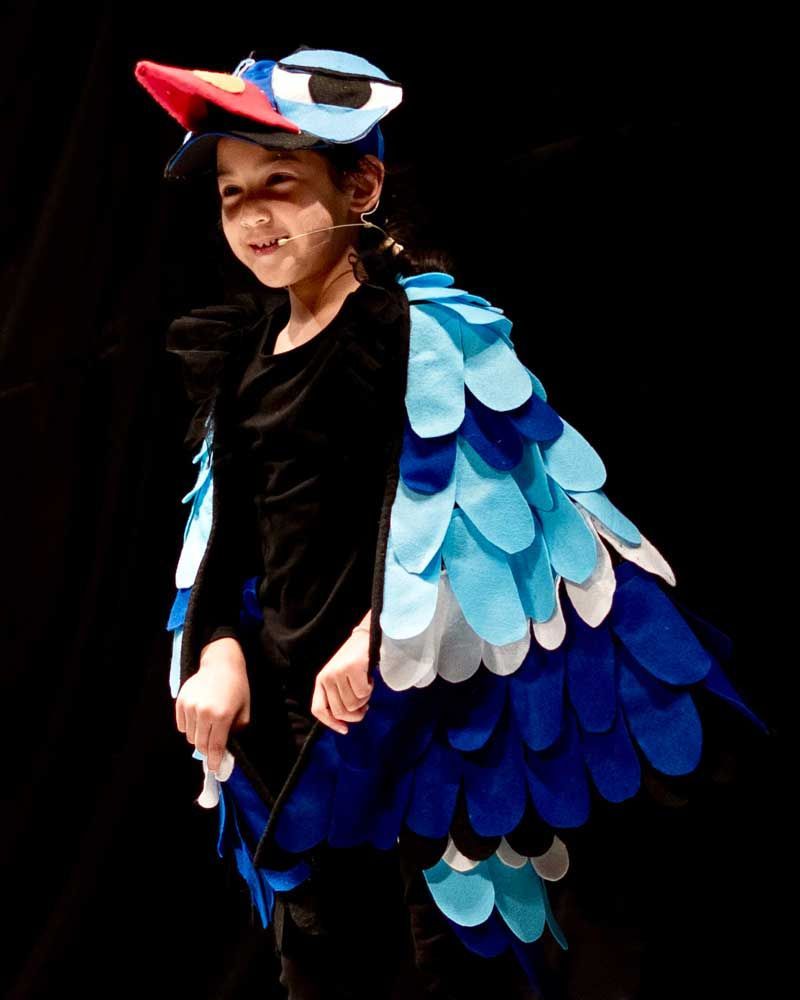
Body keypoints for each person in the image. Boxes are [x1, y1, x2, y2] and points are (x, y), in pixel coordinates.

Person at [137, 46, 773, 999]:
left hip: (426, 722)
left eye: (280, 184)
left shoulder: (421, 332)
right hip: (294, 730)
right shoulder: (241, 361)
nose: (255, 217)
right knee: (327, 965)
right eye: (232, 196)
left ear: (361, 184)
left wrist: (382, 639)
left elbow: (479, 517)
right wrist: (219, 649)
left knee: (454, 964)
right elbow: (226, 546)